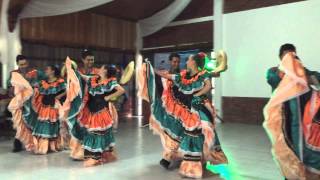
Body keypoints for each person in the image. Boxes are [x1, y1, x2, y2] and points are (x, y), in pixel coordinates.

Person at [138, 52, 228, 178]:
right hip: (185, 108)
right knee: (187, 134)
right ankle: (187, 163)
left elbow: (208, 85)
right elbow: (167, 76)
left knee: (202, 135)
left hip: (199, 109)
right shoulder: (183, 75)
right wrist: (150, 69)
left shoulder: (201, 75)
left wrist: (198, 95)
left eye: (189, 60)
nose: (186, 62)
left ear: (194, 63)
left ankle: (198, 164)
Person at [264, 44, 320, 179]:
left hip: (302, 119)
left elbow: (316, 77)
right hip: (284, 119)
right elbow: (273, 79)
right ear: (280, 57)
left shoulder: (302, 70)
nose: (290, 57)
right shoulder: (274, 71)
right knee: (286, 149)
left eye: (292, 55)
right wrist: (290, 72)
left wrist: (304, 74)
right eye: (286, 55)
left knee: (303, 149)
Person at [63, 58, 125, 167]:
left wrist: (108, 97)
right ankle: (95, 155)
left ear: (105, 71)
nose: (99, 69)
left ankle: (96, 157)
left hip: (101, 112)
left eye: (101, 68)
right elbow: (83, 77)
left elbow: (121, 90)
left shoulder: (109, 82)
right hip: (91, 112)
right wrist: (72, 70)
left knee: (98, 134)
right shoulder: (94, 79)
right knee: (91, 134)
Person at [7, 55, 46, 152]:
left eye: (25, 64)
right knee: (19, 123)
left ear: (27, 63)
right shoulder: (14, 73)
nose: (24, 66)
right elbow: (9, 85)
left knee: (32, 122)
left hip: (33, 102)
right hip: (20, 102)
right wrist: (12, 91)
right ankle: (18, 144)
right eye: (21, 64)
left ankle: (35, 144)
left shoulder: (34, 72)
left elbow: (46, 78)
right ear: (17, 64)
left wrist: (39, 84)